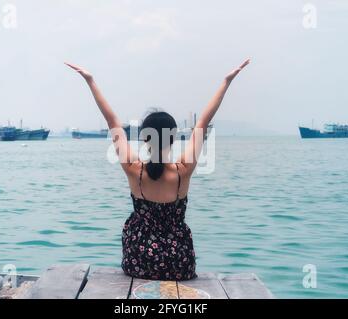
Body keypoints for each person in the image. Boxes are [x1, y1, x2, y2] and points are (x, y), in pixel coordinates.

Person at [65, 59, 250, 280]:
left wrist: (90, 81)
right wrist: (226, 82)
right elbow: (202, 122)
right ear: (173, 137)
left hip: (140, 262)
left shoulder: (134, 169)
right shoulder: (183, 170)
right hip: (179, 264)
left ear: (144, 137)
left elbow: (112, 120)